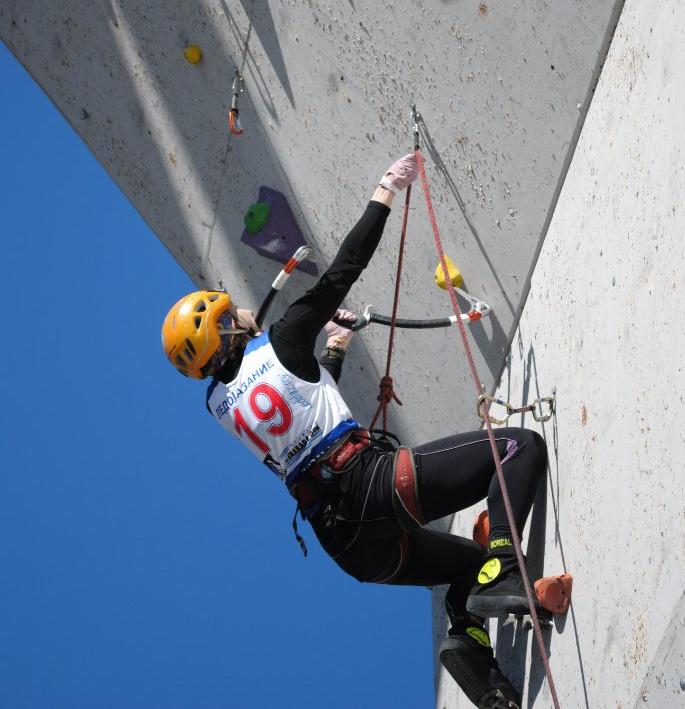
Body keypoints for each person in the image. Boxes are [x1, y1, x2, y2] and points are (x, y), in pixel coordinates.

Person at [161, 153, 547, 709]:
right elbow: (344, 269)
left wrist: (335, 351)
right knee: (517, 448)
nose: (240, 308)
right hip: (373, 484)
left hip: (348, 546)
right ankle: (507, 567)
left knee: (465, 568)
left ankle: (472, 653)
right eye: (229, 311)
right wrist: (385, 191)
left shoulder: (222, 406)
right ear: (223, 329)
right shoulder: (285, 336)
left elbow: (300, 406)